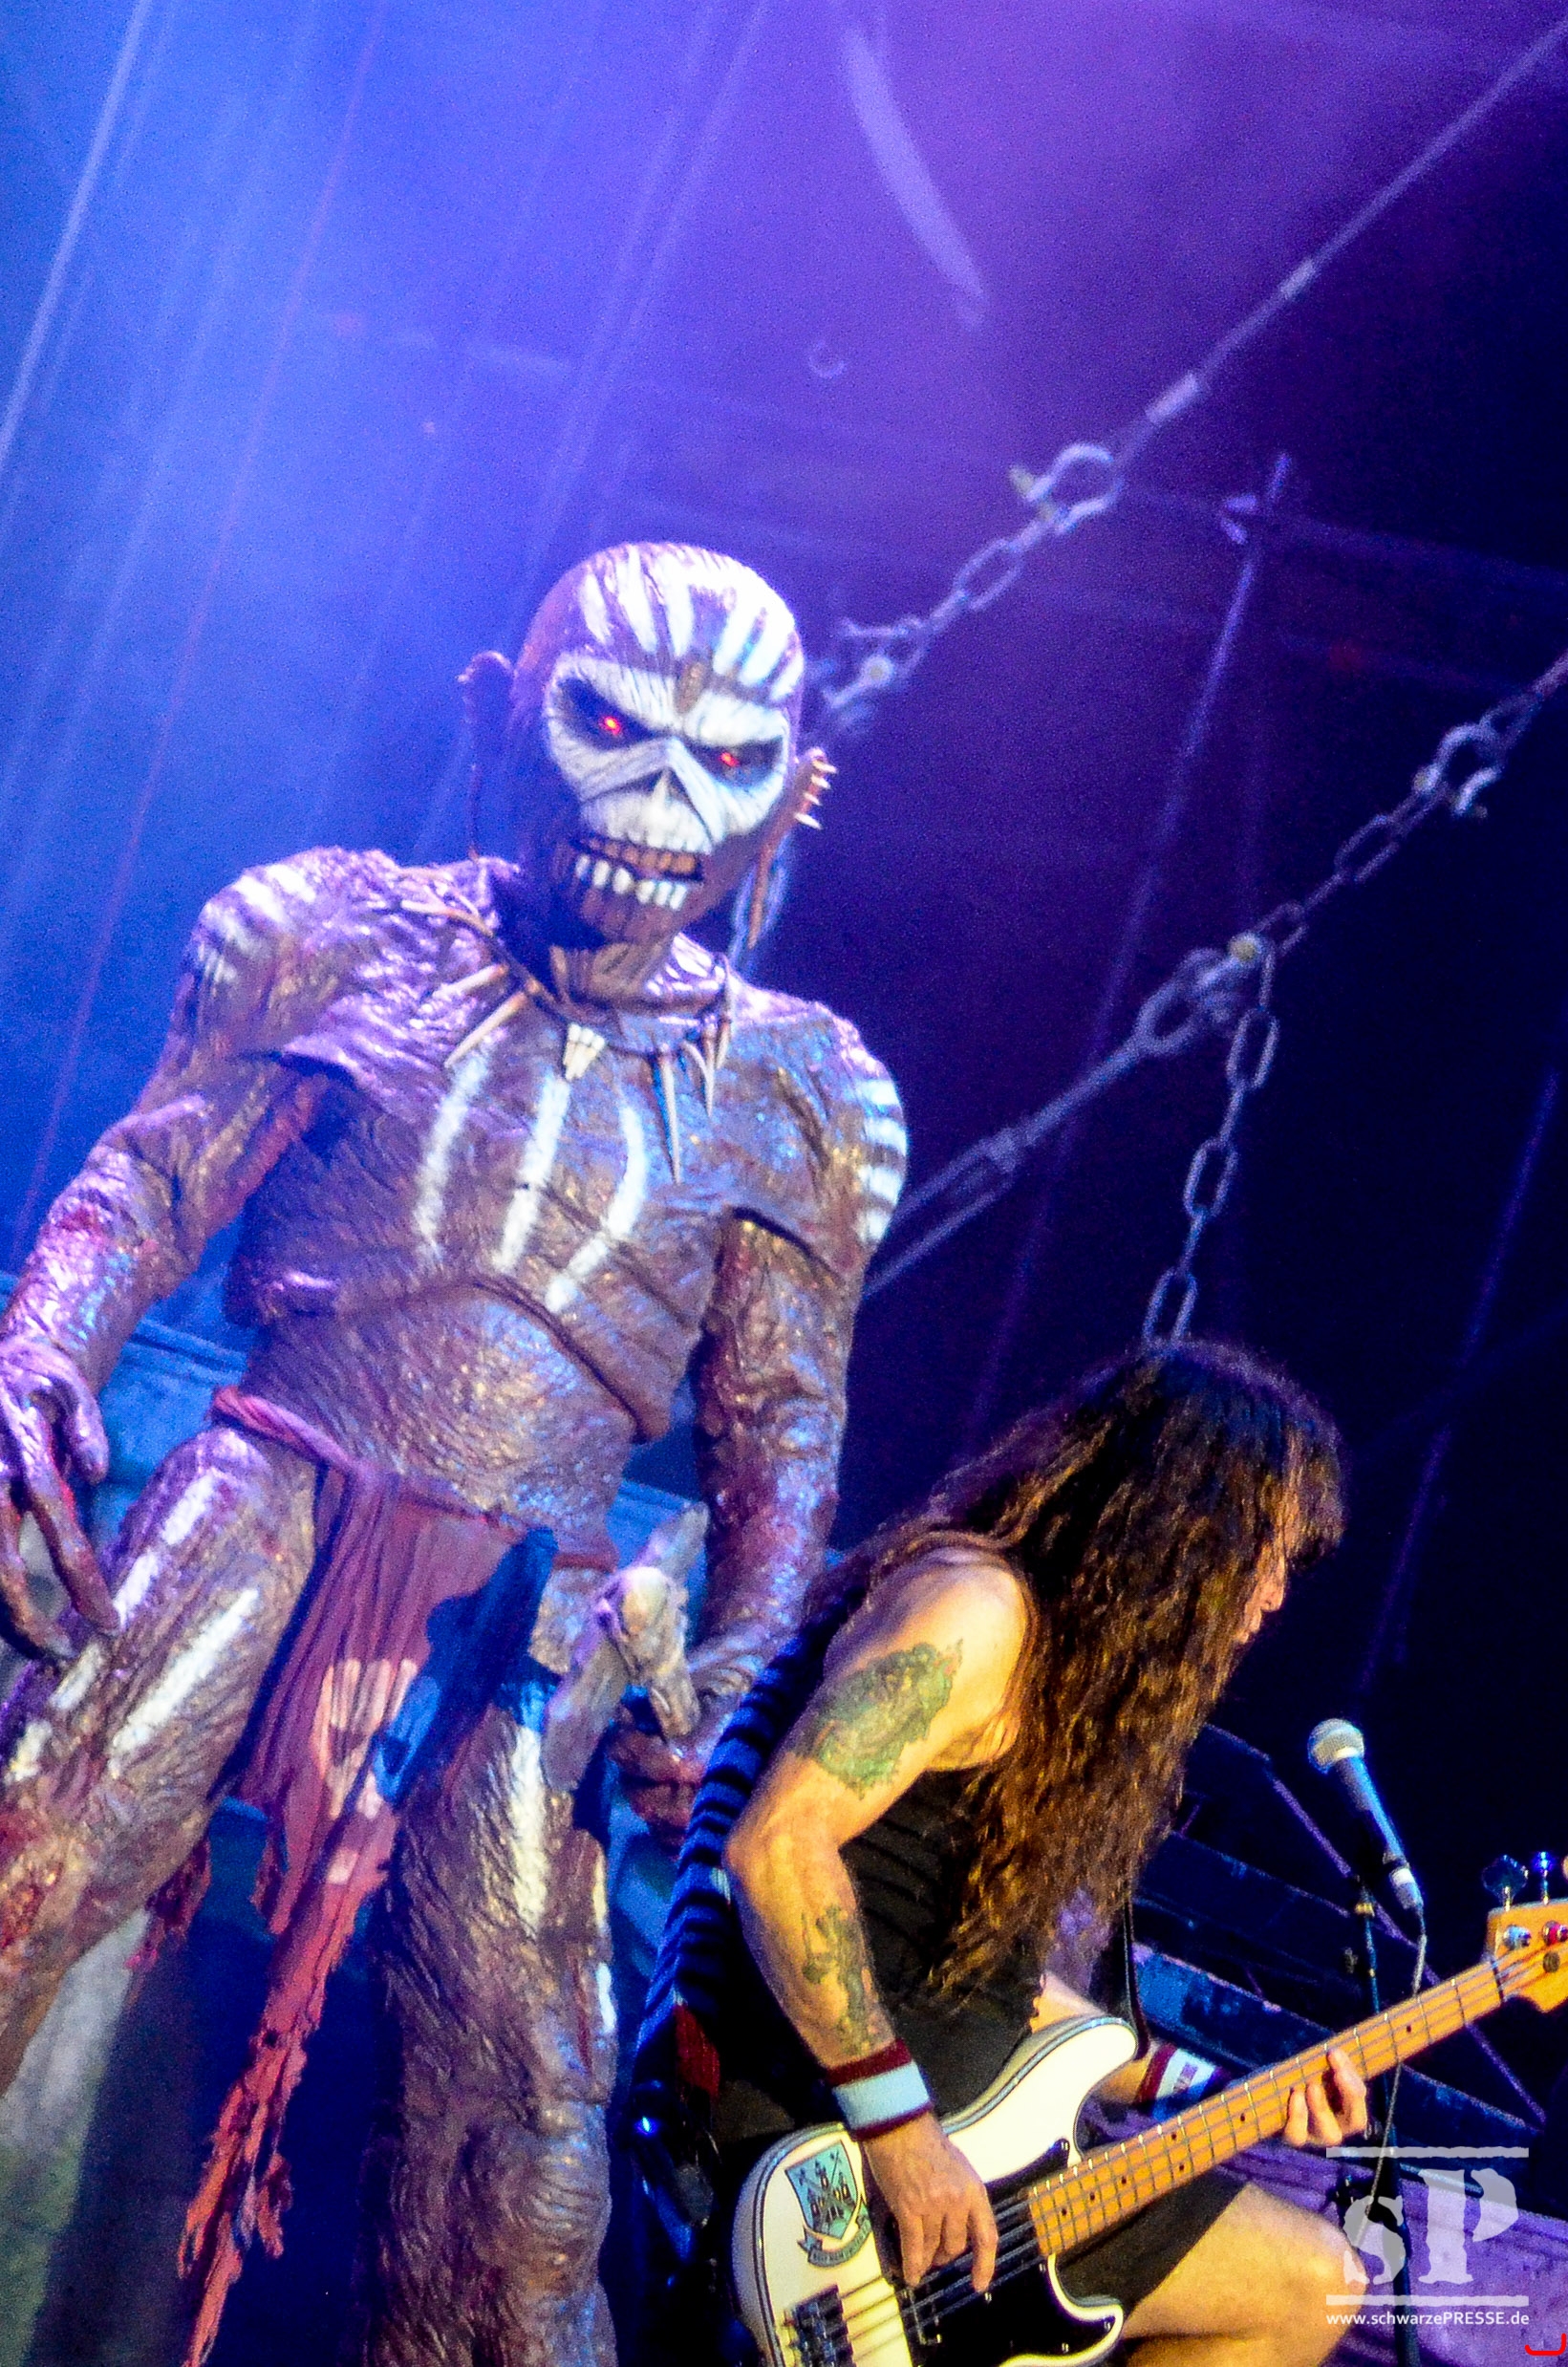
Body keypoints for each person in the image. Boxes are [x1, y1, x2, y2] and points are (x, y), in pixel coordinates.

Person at [0, 541, 904, 2367]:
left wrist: (743, 1656)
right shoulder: (336, 931)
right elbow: (154, 1175)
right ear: (503, 708)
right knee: (35, 1854)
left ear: (792, 793)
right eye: (607, 729)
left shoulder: (798, 1094)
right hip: (275, 1474)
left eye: (725, 762)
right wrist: (42, 1353)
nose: (656, 808)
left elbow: (783, 1423)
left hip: (530, 1601)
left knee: (517, 2123)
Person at [634, 1341, 1369, 2364]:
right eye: (1269, 1550)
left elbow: (987, 1985)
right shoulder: (974, 1611)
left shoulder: (1050, 1678)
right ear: (1185, 1525)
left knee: (1316, 2280)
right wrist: (900, 2131)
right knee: (1309, 2280)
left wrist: (1214, 2088)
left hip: (952, 2139)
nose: (1275, 1595)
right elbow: (778, 1844)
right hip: (817, 2149)